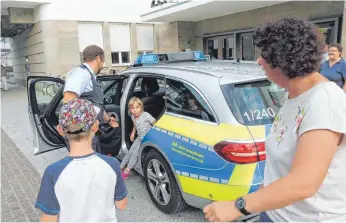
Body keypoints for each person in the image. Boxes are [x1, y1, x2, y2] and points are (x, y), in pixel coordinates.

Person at [203, 17, 346, 222]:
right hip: (276, 213)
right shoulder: (292, 95)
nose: (259, 60)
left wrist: (237, 206)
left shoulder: (325, 102)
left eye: (265, 56)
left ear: (285, 60)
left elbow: (303, 182)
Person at [35, 99, 128, 222]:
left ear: (61, 130)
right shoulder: (112, 164)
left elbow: (48, 219)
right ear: (95, 126)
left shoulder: (53, 172)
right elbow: (121, 205)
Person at [63, 45, 119, 153]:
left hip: (91, 132)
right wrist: (80, 131)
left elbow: (95, 105)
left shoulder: (90, 76)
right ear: (98, 58)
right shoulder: (81, 74)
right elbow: (69, 101)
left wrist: (109, 120)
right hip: (83, 135)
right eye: (103, 62)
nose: (102, 65)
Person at [120, 97, 156, 179]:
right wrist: (133, 133)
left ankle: (127, 170)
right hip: (139, 137)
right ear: (130, 109)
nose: (135, 110)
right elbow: (135, 125)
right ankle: (121, 166)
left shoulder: (146, 115)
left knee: (135, 154)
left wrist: (152, 135)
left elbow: (155, 123)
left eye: (137, 107)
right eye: (132, 108)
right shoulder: (133, 116)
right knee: (130, 152)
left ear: (141, 107)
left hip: (146, 138)